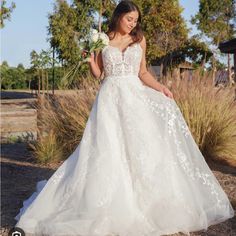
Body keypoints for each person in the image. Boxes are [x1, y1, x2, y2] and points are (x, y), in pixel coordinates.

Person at [14, 1, 234, 235]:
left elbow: (142, 73)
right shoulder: (102, 40)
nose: (133, 24)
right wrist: (89, 60)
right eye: (129, 19)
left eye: (136, 21)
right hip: (109, 100)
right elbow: (100, 74)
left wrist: (161, 88)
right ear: (118, 16)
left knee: (141, 148)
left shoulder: (139, 40)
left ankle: (147, 202)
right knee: (108, 148)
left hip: (135, 100)